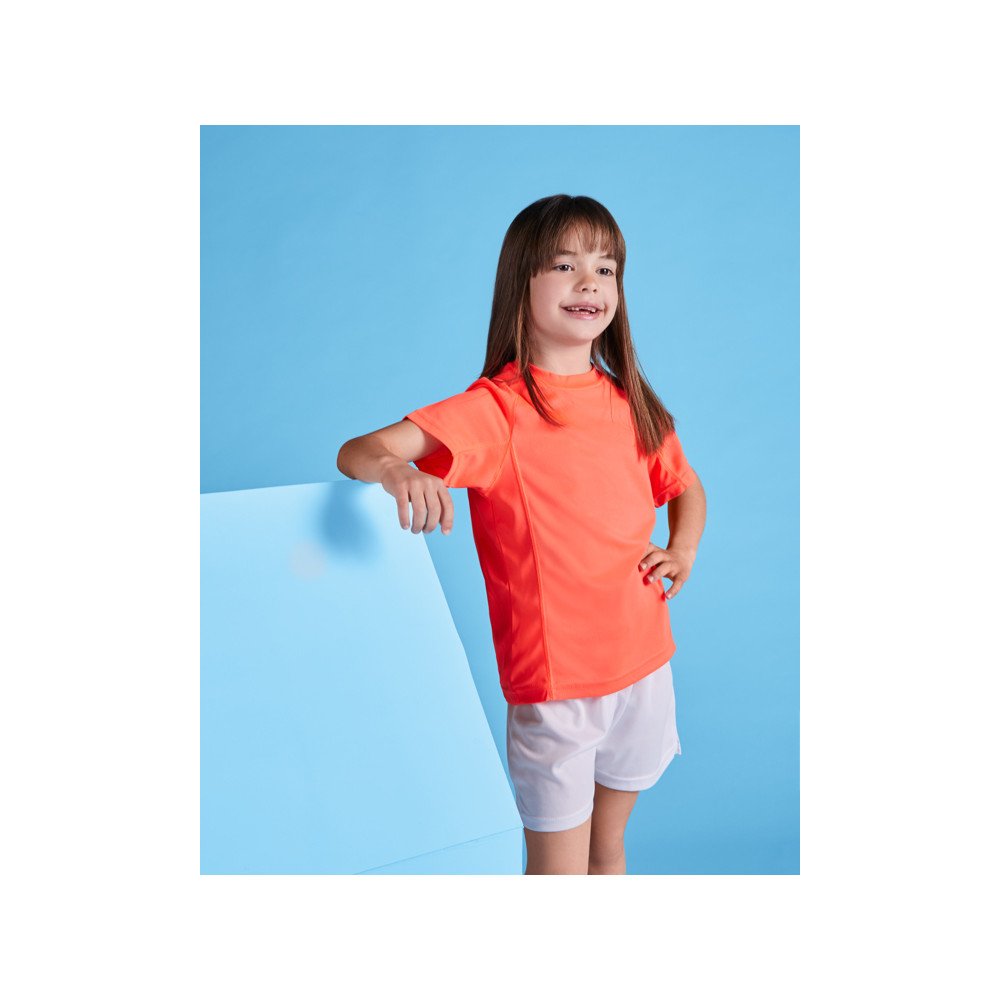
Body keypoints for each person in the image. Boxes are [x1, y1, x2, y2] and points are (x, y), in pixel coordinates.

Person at [337, 194, 707, 875]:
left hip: (645, 664)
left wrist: (681, 550)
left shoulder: (630, 401)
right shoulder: (494, 411)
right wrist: (397, 470)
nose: (589, 282)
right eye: (565, 265)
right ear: (521, 282)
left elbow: (684, 485)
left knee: (608, 853)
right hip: (556, 688)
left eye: (605, 268)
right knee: (559, 874)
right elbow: (358, 451)